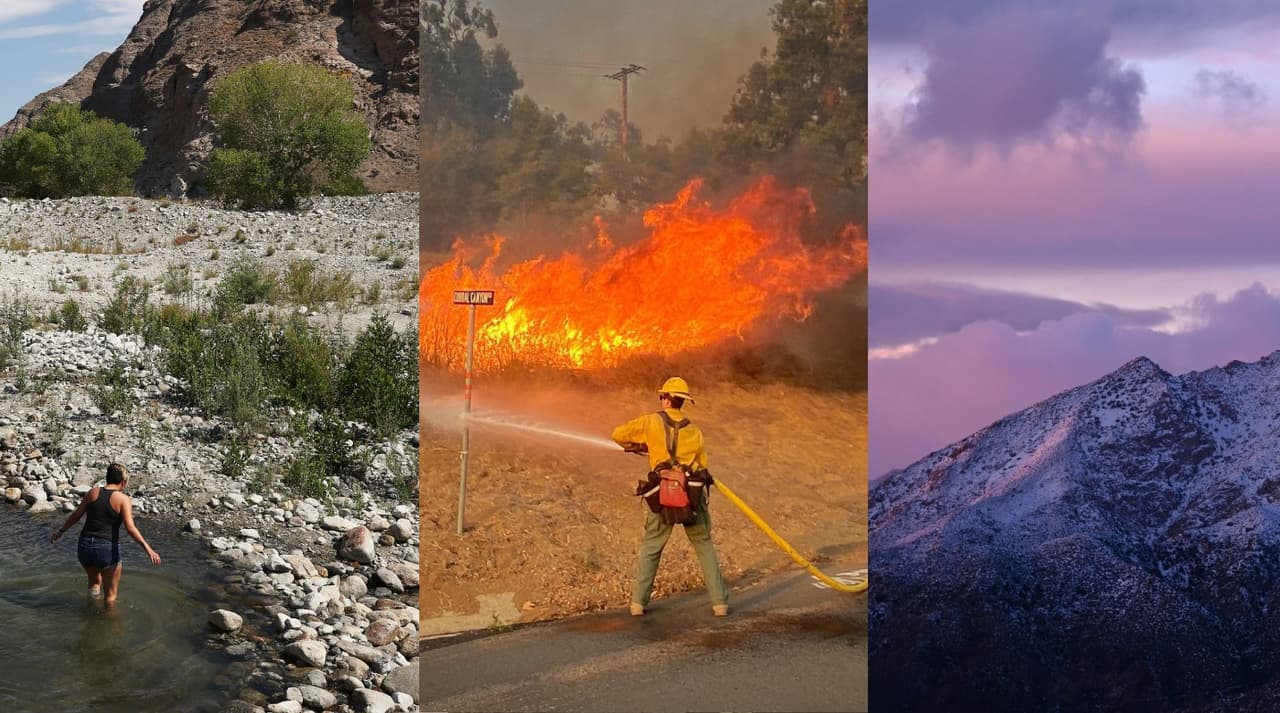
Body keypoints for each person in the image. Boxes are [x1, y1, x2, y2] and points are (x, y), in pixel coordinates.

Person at [612, 376, 730, 617]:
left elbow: (618, 434)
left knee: (651, 547)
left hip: (662, 496)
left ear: (665, 399)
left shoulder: (650, 422)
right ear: (681, 402)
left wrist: (643, 446)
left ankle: (637, 604)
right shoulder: (694, 431)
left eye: (661, 397)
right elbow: (701, 465)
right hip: (690, 496)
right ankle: (720, 604)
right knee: (704, 546)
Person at [50, 463, 161, 606]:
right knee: (110, 595)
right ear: (123, 481)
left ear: (107, 478)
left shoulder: (93, 492)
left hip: (84, 546)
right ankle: (109, 624)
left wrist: (61, 532)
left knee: (94, 584)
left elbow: (76, 515)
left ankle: (90, 612)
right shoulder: (123, 499)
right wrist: (148, 549)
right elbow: (130, 528)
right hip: (106, 548)